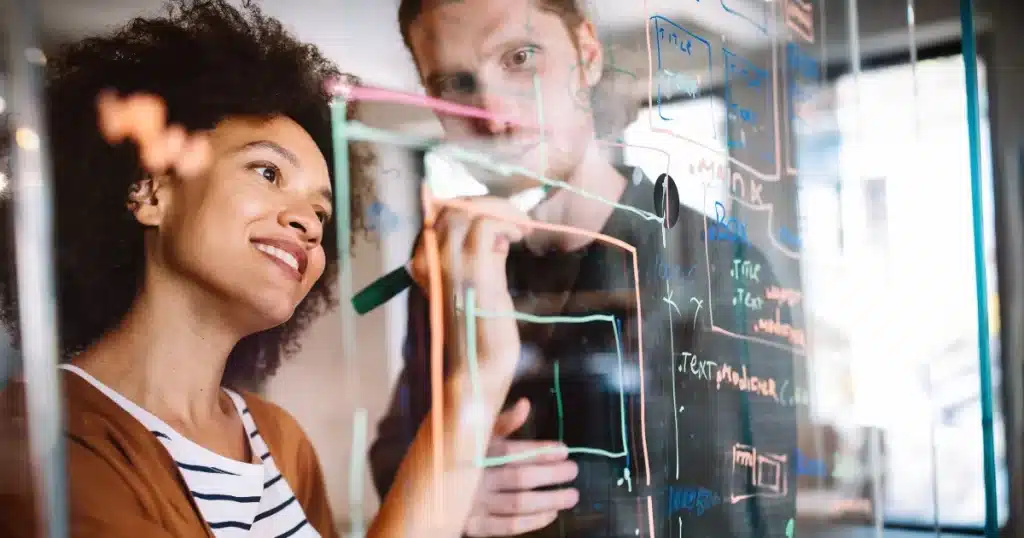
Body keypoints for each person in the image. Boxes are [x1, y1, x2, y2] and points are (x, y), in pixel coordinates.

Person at [0, 1, 530, 537]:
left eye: (321, 212)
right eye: (268, 171)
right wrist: (476, 383)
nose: (307, 224)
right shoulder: (41, 438)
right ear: (150, 190)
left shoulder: (279, 440)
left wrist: (454, 484)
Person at [370, 0, 799, 537]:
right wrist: (448, 492)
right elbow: (392, 451)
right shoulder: (450, 261)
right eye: (456, 84)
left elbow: (746, 512)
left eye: (520, 58)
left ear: (588, 55)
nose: (495, 118)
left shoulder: (717, 268)